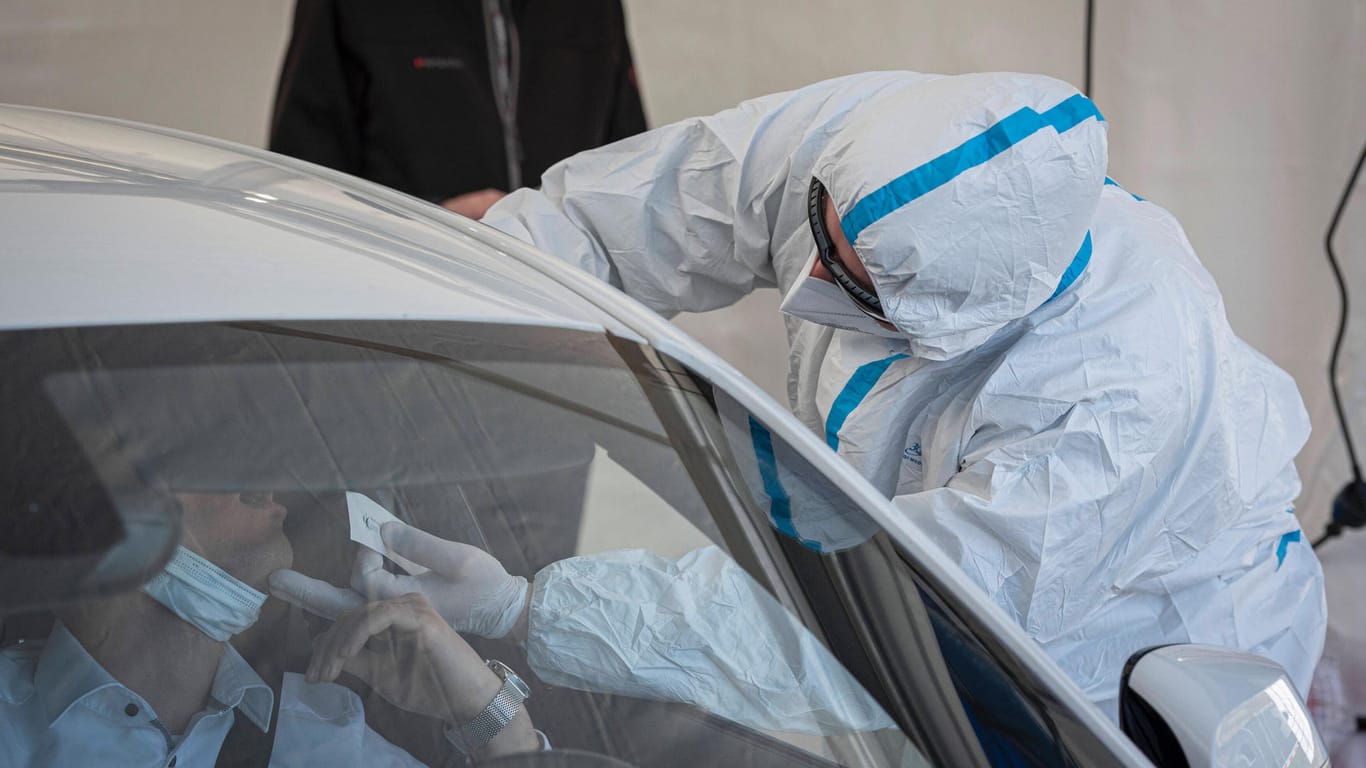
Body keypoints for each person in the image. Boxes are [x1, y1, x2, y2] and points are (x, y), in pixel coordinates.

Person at [470, 70, 1328, 716]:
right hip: (931, 575)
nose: (806, 277)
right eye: (820, 228)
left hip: (1144, 648)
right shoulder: (864, 143)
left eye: (852, 279)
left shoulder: (1114, 400)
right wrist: (474, 279)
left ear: (951, 315)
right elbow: (621, 217)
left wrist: (531, 611)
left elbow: (884, 618)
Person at [0, 491, 542, 767]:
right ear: (117, 521)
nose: (267, 492)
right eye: (207, 465)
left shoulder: (321, 736)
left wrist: (491, 717)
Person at [268, 0, 648, 218]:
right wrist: (429, 223)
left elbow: (628, 169)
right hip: (406, 305)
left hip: (565, 311)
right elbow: (302, 179)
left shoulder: (593, 9)